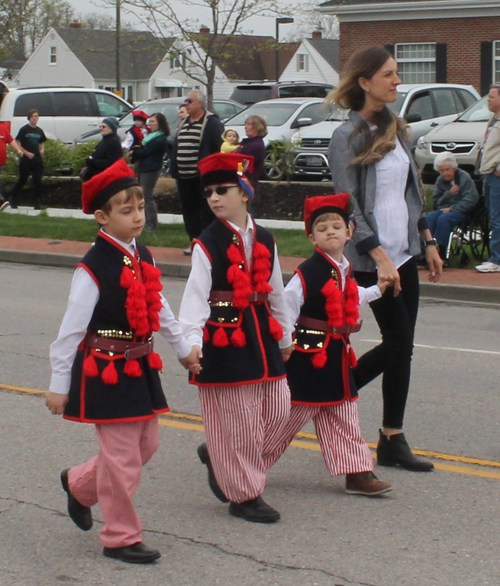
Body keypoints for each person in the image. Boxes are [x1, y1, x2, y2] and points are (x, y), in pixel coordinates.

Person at [46, 158, 200, 564]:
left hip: (140, 367)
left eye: (140, 206)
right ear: (102, 216)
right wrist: (59, 385)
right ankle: (120, 536)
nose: (137, 216)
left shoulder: (141, 253)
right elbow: (70, 331)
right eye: (126, 210)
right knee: (122, 458)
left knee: (147, 445)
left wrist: (183, 348)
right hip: (106, 372)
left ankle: (79, 485)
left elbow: (159, 305)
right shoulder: (92, 268)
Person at [327, 46, 442, 472]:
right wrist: (378, 256)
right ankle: (329, 392)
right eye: (389, 75)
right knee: (398, 342)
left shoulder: (398, 129)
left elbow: (411, 194)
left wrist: (426, 240)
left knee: (403, 348)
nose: (397, 82)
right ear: (364, 82)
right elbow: (347, 205)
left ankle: (392, 437)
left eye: (396, 74)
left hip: (404, 255)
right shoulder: (348, 136)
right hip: (370, 261)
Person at [178, 152, 294, 523]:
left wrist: (286, 336)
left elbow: (276, 290)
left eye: (222, 190)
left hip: (261, 334)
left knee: (280, 408)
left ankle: (221, 456)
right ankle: (244, 495)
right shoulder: (207, 242)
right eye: (208, 192)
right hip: (225, 341)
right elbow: (195, 298)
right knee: (239, 421)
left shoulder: (266, 237)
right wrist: (191, 341)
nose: (213, 198)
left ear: (245, 192)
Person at [265, 194, 392, 496]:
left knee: (345, 414)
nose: (331, 232)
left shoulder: (344, 268)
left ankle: (357, 473)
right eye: (322, 229)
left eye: (337, 226)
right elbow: (286, 309)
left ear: (349, 232)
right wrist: (283, 345)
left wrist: (377, 290)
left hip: (336, 357)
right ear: (312, 238)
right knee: (286, 420)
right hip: (307, 359)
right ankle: (236, 460)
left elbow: (351, 296)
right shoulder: (307, 273)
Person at [170, 90, 224, 255]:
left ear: (200, 103)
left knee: (205, 210)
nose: (186, 103)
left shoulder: (211, 123)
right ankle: (193, 240)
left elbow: (218, 147)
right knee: (189, 209)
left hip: (202, 176)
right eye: (186, 101)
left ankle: (206, 242)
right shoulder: (184, 122)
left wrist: (213, 172)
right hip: (183, 175)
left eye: (190, 101)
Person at [428, 152, 479, 263]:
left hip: (464, 212)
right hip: (444, 210)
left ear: (454, 167)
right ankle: (427, 250)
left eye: (447, 169)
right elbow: (436, 202)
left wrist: (452, 209)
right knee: (430, 217)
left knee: (444, 219)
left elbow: (471, 200)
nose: (445, 173)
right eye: (442, 171)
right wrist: (449, 194)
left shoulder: (464, 177)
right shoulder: (440, 180)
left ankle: (441, 253)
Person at [130, 113, 169, 231]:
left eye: (153, 121)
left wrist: (134, 152)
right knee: (142, 195)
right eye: (149, 121)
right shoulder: (152, 136)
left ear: (160, 123)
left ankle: (152, 224)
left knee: (147, 195)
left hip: (151, 168)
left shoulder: (160, 138)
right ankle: (147, 222)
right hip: (144, 166)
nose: (150, 124)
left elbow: (146, 152)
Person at [476, 85, 500, 273]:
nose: (488, 100)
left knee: (497, 218)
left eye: (491, 97)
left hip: (496, 175)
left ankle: (496, 259)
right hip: (488, 174)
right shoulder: (493, 119)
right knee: (493, 216)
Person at [9, 109, 47, 210]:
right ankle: (13, 198)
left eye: (36, 116)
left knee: (37, 180)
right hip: (26, 159)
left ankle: (38, 201)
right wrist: (26, 153)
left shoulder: (39, 130)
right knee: (23, 179)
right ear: (29, 118)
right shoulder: (24, 130)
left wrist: (41, 149)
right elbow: (17, 142)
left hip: (37, 159)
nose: (35, 118)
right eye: (33, 116)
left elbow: (41, 141)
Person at [236, 115, 267, 201]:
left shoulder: (255, 146)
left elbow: (243, 166)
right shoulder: (246, 143)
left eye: (249, 124)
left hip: (247, 187)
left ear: (257, 128)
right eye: (245, 124)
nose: (245, 127)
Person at [0, 119, 23, 207]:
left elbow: (10, 140)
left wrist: (18, 149)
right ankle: (1, 201)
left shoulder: (3, 128)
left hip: (1, 161)